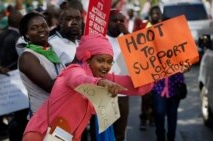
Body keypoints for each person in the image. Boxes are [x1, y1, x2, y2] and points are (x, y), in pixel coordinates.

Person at [22, 34, 154, 141]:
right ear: (88, 59)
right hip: (41, 134)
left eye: (109, 62)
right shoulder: (73, 70)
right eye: (100, 60)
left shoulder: (105, 77)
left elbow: (133, 86)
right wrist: (101, 83)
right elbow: (80, 80)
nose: (106, 66)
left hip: (68, 137)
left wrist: (153, 73)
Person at [148, 5, 186, 141]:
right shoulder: (153, 44)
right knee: (158, 113)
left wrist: (185, 66)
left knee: (172, 114)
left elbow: (187, 62)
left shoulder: (178, 45)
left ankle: (171, 137)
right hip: (158, 87)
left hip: (175, 85)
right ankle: (160, 137)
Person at [18, 12, 64, 115]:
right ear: (26, 34)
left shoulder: (51, 50)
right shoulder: (27, 57)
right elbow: (50, 86)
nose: (41, 30)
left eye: (44, 26)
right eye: (34, 28)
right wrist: (75, 65)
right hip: (44, 117)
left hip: (61, 112)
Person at [0, 9, 29, 141]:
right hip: (16, 83)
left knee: (12, 117)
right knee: (20, 117)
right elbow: (26, 59)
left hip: (2, 83)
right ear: (20, 23)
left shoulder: (0, 36)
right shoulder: (19, 40)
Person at [138, 5, 164, 131]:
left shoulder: (164, 28)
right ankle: (143, 118)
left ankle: (153, 117)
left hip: (160, 69)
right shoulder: (143, 27)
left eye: (157, 13)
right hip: (146, 68)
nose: (155, 15)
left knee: (156, 94)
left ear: (160, 15)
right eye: (153, 13)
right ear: (150, 15)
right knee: (146, 96)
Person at [106, 9, 130, 141]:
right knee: (103, 133)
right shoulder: (101, 39)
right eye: (115, 21)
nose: (119, 23)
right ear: (107, 23)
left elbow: (139, 55)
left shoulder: (126, 39)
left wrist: (127, 34)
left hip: (123, 94)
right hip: (103, 93)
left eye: (122, 21)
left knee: (119, 133)